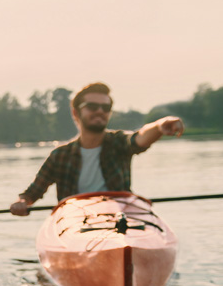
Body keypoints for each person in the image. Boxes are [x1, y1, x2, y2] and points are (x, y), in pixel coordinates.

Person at [10, 82, 185, 215]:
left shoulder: (119, 142)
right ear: (76, 113)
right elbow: (32, 193)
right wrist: (22, 202)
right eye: (92, 107)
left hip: (119, 217)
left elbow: (139, 138)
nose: (100, 111)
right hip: (75, 221)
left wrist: (160, 126)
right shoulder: (59, 156)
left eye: (106, 107)